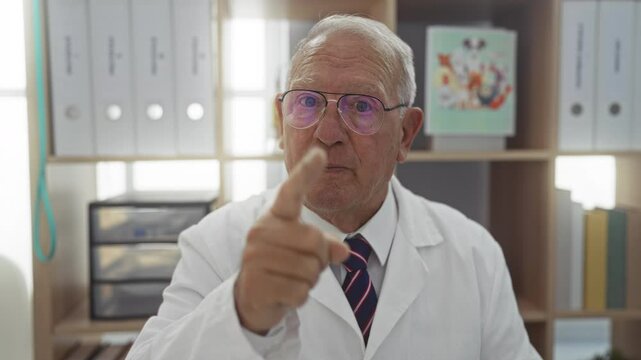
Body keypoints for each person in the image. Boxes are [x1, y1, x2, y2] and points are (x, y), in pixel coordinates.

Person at [126, 14, 542, 360]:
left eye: (361, 106)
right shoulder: (215, 245)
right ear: (280, 122)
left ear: (405, 135)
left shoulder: (473, 254)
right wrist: (240, 312)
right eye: (307, 102)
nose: (327, 133)